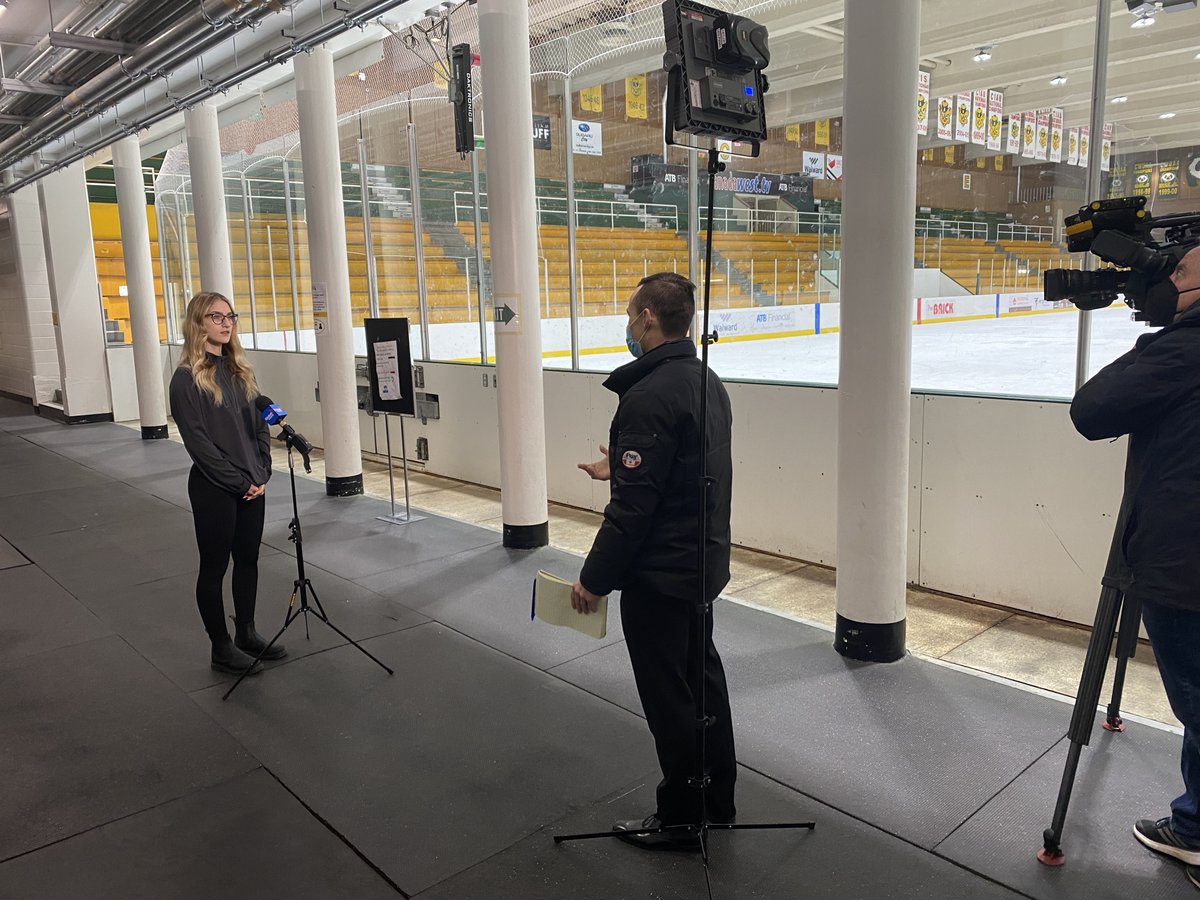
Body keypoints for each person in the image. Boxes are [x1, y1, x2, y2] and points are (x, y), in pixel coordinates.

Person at [573, 272, 737, 851]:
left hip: (661, 578)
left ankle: (680, 818)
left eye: (629, 312)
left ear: (647, 318)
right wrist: (621, 466)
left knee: (670, 699)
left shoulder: (647, 396)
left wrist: (594, 579)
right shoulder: (706, 382)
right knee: (703, 685)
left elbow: (633, 512)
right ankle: (717, 802)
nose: (626, 323)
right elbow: (684, 475)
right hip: (699, 568)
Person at [1071, 245, 1200, 889]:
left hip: (1182, 567)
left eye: (1180, 274)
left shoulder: (1182, 350)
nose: (1166, 281)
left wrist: (1169, 332)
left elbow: (1091, 410)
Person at [169, 291, 286, 675]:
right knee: (214, 566)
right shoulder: (186, 380)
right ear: (198, 322)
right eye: (216, 316)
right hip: (214, 488)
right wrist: (240, 481)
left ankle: (246, 633)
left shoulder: (239, 372)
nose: (226, 322)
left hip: (252, 484)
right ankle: (221, 647)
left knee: (248, 560)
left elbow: (259, 427)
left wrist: (262, 472)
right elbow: (199, 445)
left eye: (230, 316)